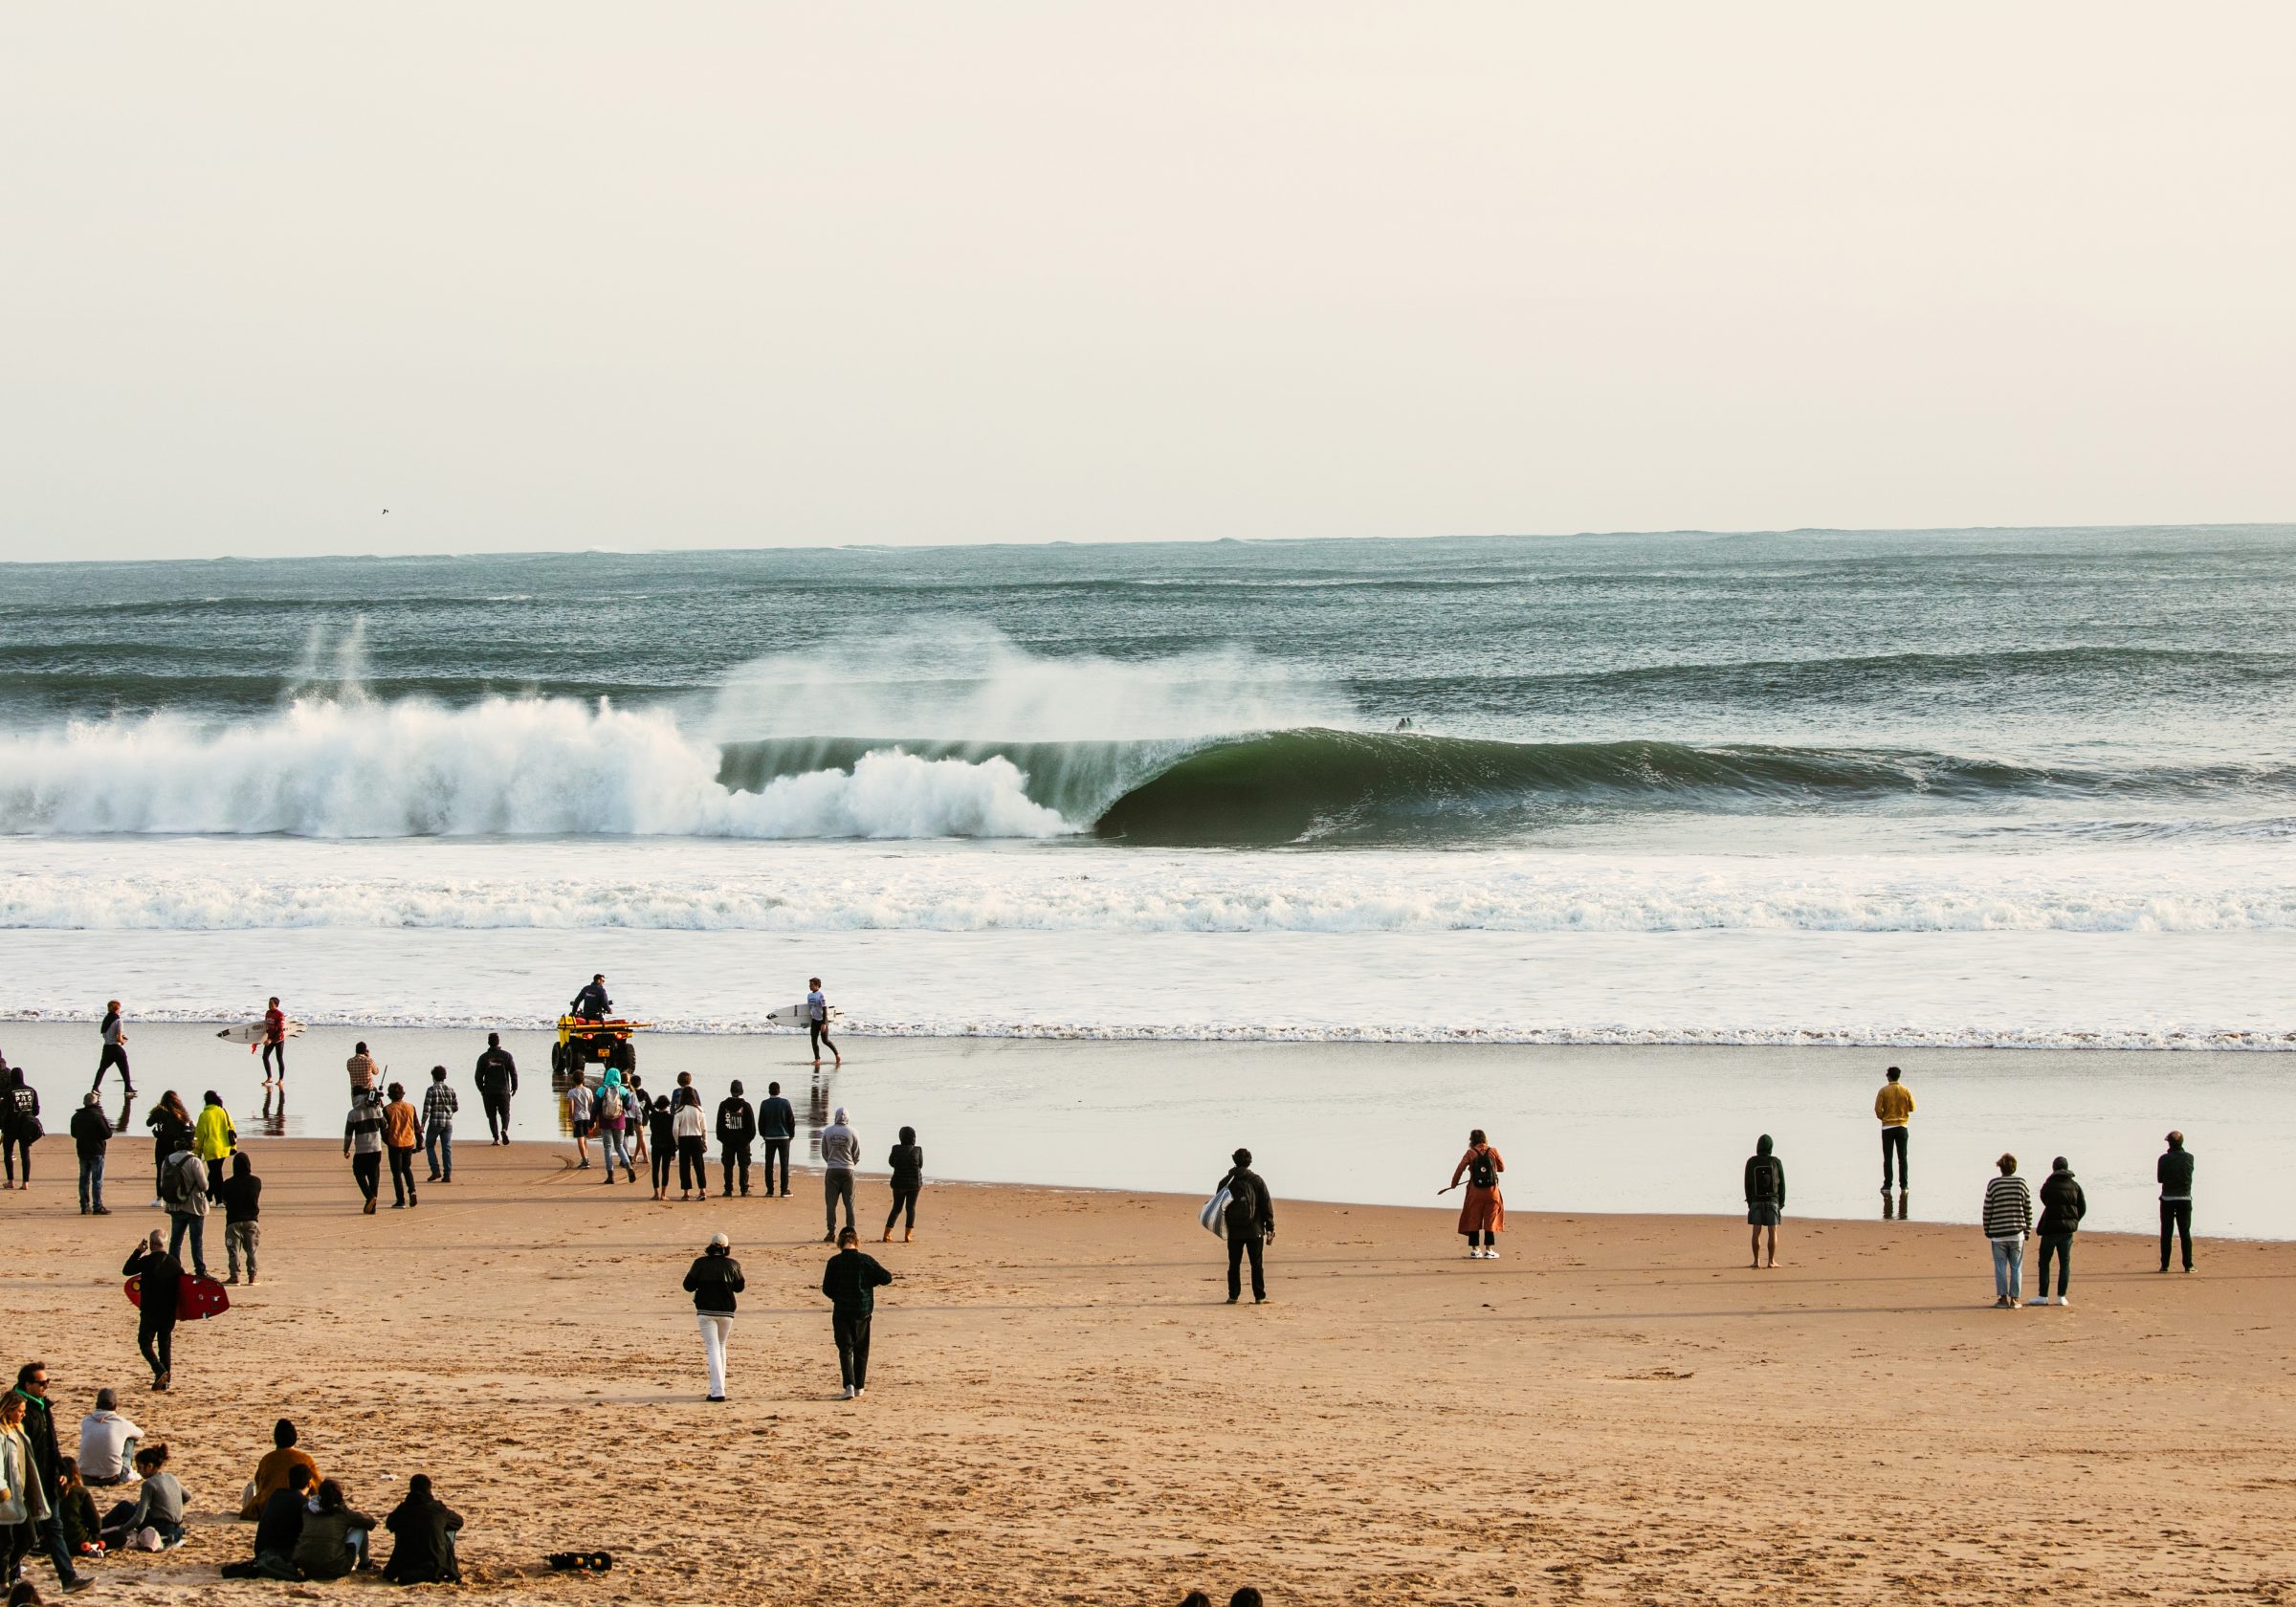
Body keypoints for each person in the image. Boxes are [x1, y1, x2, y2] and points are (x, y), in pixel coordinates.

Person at [8, 1367, 89, 1596]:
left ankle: (68, 1578)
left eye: (47, 1382)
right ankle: (10, 1577)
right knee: (24, 1535)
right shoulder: (17, 1411)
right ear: (27, 1385)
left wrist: (61, 1470)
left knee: (54, 1528)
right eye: (42, 1383)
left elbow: (52, 1444)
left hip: (48, 1481)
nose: (46, 1387)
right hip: (26, 1484)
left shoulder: (43, 1407)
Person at [821, 1226, 894, 1399]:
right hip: (862, 1310)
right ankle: (860, 1385)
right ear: (856, 1242)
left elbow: (827, 1289)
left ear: (840, 1243)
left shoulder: (834, 1262)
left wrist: (837, 1297)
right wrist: (869, 1283)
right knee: (861, 1349)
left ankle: (850, 1386)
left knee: (845, 1349)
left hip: (842, 1311)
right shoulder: (865, 1260)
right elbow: (887, 1277)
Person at [220, 1462, 309, 1580]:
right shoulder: (303, 1503)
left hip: (261, 1551)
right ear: (309, 1484)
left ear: (288, 1481)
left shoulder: (276, 1495)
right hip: (281, 1553)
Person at [684, 1232, 745, 1401]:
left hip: (705, 1311)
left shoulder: (700, 1263)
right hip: (727, 1311)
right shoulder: (733, 1264)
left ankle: (718, 1391)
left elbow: (688, 1286)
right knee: (721, 1346)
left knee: (713, 1348)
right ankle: (720, 1387)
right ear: (726, 1247)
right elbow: (740, 1287)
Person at [123, 1233, 182, 1389]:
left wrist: (138, 1252)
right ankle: (166, 1383)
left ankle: (159, 1370)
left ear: (150, 1244)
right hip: (169, 1312)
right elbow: (183, 1286)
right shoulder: (174, 1262)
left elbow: (127, 1270)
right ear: (164, 1243)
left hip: (150, 1311)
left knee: (145, 1343)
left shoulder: (147, 1261)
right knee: (165, 1345)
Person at [381, 1474, 461, 1584]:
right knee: (448, 1527)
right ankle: (446, 1563)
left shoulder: (403, 1509)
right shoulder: (438, 1509)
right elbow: (459, 1522)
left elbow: (389, 1524)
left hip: (407, 1562)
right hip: (436, 1563)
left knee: (399, 1526)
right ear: (429, 1489)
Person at [100, 1442, 183, 1551]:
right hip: (176, 1531)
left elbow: (139, 1518)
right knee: (137, 1505)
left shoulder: (149, 1484)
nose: (138, 1471)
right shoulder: (171, 1477)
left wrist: (122, 1529)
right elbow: (187, 1496)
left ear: (150, 1466)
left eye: (140, 1467)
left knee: (124, 1506)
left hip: (161, 1529)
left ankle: (96, 1527)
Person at [1219, 1149, 1275, 1305]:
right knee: (1256, 1264)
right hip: (1255, 1230)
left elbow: (1219, 1206)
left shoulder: (1226, 1181)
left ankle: (1233, 1295)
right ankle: (1260, 1296)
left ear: (1234, 1161)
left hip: (1234, 1230)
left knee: (1234, 1264)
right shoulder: (1256, 1180)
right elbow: (1266, 1205)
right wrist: (1270, 1226)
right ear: (1250, 1162)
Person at [292, 1478, 376, 1580]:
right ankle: (365, 1563)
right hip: (334, 1569)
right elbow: (370, 1523)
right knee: (360, 1528)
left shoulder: (307, 1509)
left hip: (305, 1566)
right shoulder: (341, 1512)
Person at [239, 1420, 320, 1521]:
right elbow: (317, 1489)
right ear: (295, 1438)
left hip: (266, 1510)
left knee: (251, 1486)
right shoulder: (306, 1460)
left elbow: (259, 1484)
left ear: (276, 1439)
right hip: (296, 1509)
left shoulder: (267, 1459)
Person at [2033, 1156, 2087, 1308]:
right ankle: (2061, 1296)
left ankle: (2043, 1295)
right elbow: (2082, 1207)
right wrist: (2074, 1220)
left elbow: (2044, 1199)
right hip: (2067, 1231)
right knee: (2065, 1263)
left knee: (2044, 1262)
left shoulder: (2049, 1184)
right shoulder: (2074, 1185)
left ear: (2054, 1169)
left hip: (2050, 1229)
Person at [1982, 1153, 2033, 1308]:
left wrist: (1987, 1229)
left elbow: (1987, 1209)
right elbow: (2028, 1209)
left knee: (2000, 1267)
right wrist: (2028, 1230)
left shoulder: (1994, 1184)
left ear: (2001, 1168)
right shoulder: (2021, 1183)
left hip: (1998, 1234)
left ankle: (2003, 1298)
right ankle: (2015, 1299)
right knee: (2016, 1267)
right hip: (2017, 1233)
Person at [1449, 1129, 1505, 1260]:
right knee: (1490, 1220)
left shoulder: (1470, 1153)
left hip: (1475, 1191)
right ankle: (1489, 1250)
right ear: (1485, 1139)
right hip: (1492, 1192)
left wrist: (1454, 1184)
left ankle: (1475, 1250)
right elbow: (1502, 1168)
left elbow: (1460, 1168)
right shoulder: (1493, 1151)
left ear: (1471, 1140)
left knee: (1474, 1219)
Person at [161, 1136, 210, 1279]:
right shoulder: (194, 1161)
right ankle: (200, 1270)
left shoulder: (167, 1160)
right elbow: (204, 1186)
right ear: (192, 1145)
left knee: (175, 1240)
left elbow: (162, 1183)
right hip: (194, 1205)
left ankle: (172, 1267)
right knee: (196, 1241)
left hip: (175, 1205)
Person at [75, 1392, 140, 1487]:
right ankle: (127, 1473)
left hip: (86, 1477)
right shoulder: (121, 1422)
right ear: (115, 1406)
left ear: (96, 1405)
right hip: (112, 1478)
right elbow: (140, 1433)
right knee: (130, 1438)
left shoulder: (86, 1421)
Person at [218, 1152, 263, 1287]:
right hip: (251, 1220)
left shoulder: (227, 1184)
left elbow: (224, 1201)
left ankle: (234, 1276)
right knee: (252, 1250)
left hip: (233, 1220)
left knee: (233, 1250)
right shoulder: (256, 1181)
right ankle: (252, 1277)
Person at [144, 1091, 191, 1209]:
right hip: (176, 1145)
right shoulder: (181, 1113)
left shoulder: (160, 1111)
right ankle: (178, 1195)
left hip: (162, 1143)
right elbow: (187, 1126)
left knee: (160, 1170)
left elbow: (148, 1123)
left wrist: (156, 1112)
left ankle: (160, 1198)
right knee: (178, 1170)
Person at [1875, 1066, 1913, 1208]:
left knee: (1888, 1158)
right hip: (1902, 1126)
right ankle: (1904, 1185)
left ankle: (1887, 1184)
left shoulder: (1883, 1091)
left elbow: (1878, 1110)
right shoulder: (1906, 1090)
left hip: (1887, 1127)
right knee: (1903, 1157)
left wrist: (1884, 1118)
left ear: (1889, 1077)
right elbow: (1912, 1107)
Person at [1744, 1134, 1785, 1268]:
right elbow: (1782, 1184)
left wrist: (1750, 1201)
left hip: (1756, 1201)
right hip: (1772, 1200)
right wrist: (1781, 1202)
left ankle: (1756, 1261)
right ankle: (1771, 1261)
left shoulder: (1751, 1162)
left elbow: (1747, 1184)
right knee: (1772, 1231)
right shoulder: (1776, 1162)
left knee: (1756, 1231)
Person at [820, 1106, 859, 1242]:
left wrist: (831, 1161)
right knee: (849, 1203)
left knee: (831, 1203)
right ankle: (851, 1232)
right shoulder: (853, 1132)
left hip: (832, 1170)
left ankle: (831, 1232)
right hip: (848, 1170)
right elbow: (857, 1153)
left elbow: (824, 1152)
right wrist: (850, 1163)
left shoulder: (828, 1131)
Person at [2159, 1131, 2196, 1273]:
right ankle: (2188, 1265)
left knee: (2166, 1233)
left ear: (2169, 1143)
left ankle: (2165, 1266)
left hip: (2167, 1199)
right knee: (2185, 1233)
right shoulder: (2190, 1158)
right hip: (2185, 1199)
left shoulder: (2163, 1158)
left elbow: (2160, 1179)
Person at [344, 1089, 386, 1214]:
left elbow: (348, 1135)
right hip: (376, 1149)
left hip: (361, 1150)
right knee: (374, 1177)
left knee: (359, 1173)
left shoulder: (352, 1114)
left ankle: (370, 1197)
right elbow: (384, 1127)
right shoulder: (376, 1110)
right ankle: (372, 1208)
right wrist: (380, 1108)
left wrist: (345, 1149)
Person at [66, 1095, 107, 1218]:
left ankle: (84, 1205)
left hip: (83, 1151)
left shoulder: (76, 1116)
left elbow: (74, 1133)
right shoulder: (98, 1116)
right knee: (97, 1180)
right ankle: (97, 1206)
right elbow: (107, 1133)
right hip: (96, 1151)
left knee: (84, 1179)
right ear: (95, 1103)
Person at [381, 1082, 420, 1208]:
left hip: (395, 1143)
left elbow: (384, 1129)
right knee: (406, 1168)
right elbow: (417, 1127)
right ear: (402, 1094)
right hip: (409, 1142)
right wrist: (420, 1143)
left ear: (389, 1095)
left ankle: (400, 1200)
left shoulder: (387, 1109)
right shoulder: (411, 1107)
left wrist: (387, 1141)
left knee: (396, 1172)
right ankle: (412, 1191)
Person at [473, 1034, 517, 1145]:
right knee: (505, 1113)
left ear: (488, 1042)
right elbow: (513, 1073)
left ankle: (496, 1139)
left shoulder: (483, 1057)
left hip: (489, 1091)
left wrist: (481, 1089)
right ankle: (504, 1129)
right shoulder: (506, 1056)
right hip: (503, 1091)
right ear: (498, 1042)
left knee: (491, 1116)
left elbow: (478, 1076)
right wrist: (514, 1087)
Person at [1, 1070, 40, 1192]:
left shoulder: (9, 1092)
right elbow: (36, 1111)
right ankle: (25, 1183)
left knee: (8, 1153)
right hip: (26, 1127)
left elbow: (2, 1110)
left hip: (10, 1128)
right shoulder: (31, 1090)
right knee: (25, 1154)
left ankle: (11, 1181)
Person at [53, 1461, 99, 1562]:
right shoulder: (80, 1492)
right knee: (119, 1536)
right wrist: (95, 1537)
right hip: (79, 1542)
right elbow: (96, 1523)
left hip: (54, 1541)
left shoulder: (50, 1491)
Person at [716, 1080, 755, 1198]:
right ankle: (744, 1188)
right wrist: (747, 1139)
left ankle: (728, 1189)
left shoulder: (723, 1105)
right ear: (741, 1091)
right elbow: (752, 1126)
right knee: (744, 1165)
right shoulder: (746, 1106)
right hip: (743, 1142)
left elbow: (719, 1125)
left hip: (728, 1141)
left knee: (728, 1166)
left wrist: (723, 1138)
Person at [884, 1126, 924, 1243]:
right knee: (910, 1208)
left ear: (901, 1137)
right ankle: (908, 1235)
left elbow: (891, 1163)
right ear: (913, 1137)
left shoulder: (895, 1149)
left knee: (896, 1208)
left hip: (898, 1183)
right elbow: (920, 1165)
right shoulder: (918, 1150)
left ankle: (887, 1234)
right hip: (914, 1183)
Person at [193, 1089, 237, 1196]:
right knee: (215, 1172)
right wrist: (233, 1147)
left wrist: (197, 1152)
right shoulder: (223, 1112)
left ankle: (219, 1199)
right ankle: (208, 1196)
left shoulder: (204, 1115)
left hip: (211, 1149)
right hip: (224, 1148)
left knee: (216, 1173)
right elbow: (232, 1129)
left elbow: (199, 1135)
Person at [420, 1067, 457, 1183]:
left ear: (433, 1077)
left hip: (435, 1122)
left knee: (429, 1146)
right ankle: (447, 1174)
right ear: (444, 1076)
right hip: (448, 1123)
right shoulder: (451, 1090)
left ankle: (435, 1170)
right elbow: (456, 1107)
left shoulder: (431, 1090)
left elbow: (427, 1109)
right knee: (446, 1148)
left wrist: (422, 1124)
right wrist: (448, 1112)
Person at [758, 1080, 795, 1198]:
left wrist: (763, 1134)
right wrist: (791, 1135)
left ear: (769, 1091)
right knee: (784, 1164)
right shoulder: (785, 1103)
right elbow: (791, 1121)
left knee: (769, 1164)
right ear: (779, 1091)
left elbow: (761, 1122)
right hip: (784, 1137)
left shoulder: (764, 1104)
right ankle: (784, 1190)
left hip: (769, 1137)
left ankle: (770, 1190)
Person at [673, 1090, 708, 1201]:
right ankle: (702, 1190)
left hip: (684, 1139)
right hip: (697, 1138)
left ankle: (686, 1192)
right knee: (699, 1166)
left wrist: (676, 1141)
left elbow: (675, 1129)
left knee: (684, 1166)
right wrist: (705, 1141)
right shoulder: (699, 1110)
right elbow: (704, 1128)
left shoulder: (679, 1110)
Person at [92, 1002, 131, 1094]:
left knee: (102, 1069)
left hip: (107, 1048)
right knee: (124, 1069)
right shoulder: (119, 1021)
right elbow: (118, 1038)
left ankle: (95, 1088)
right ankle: (128, 1089)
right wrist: (123, 1041)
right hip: (116, 1048)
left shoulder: (106, 1020)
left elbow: (105, 1035)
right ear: (117, 1009)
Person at [806, 977, 840, 1068]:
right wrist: (807, 1022)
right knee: (813, 1040)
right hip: (814, 1020)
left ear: (817, 985)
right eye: (809, 984)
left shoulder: (821, 995)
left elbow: (825, 1010)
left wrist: (824, 1023)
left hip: (822, 1020)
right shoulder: (809, 995)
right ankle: (817, 1059)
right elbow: (810, 1010)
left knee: (825, 1040)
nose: (810, 986)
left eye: (811, 984)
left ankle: (837, 1055)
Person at [647, 1096, 675, 1200]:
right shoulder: (671, 1118)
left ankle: (656, 1193)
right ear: (667, 1105)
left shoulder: (652, 1116)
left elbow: (652, 1129)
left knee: (655, 1169)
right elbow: (672, 1135)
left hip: (656, 1144)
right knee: (665, 1169)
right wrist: (674, 1151)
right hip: (667, 1145)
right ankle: (663, 1194)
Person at [564, 1077, 594, 1170]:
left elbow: (571, 1107)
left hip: (578, 1118)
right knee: (584, 1138)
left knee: (580, 1140)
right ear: (583, 1080)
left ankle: (585, 1160)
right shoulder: (588, 1090)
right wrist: (593, 1119)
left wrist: (571, 1119)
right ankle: (586, 1157)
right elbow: (592, 1105)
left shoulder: (572, 1092)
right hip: (587, 1117)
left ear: (574, 1080)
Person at [260, 997, 288, 1086]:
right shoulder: (268, 1013)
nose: (269, 1005)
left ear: (276, 1005)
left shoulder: (280, 1015)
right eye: (268, 1003)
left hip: (279, 1039)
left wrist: (271, 1039)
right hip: (270, 1038)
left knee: (279, 1059)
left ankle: (281, 1080)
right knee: (265, 1057)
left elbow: (280, 1030)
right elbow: (267, 1027)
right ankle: (269, 1078)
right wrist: (260, 1039)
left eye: (271, 1004)